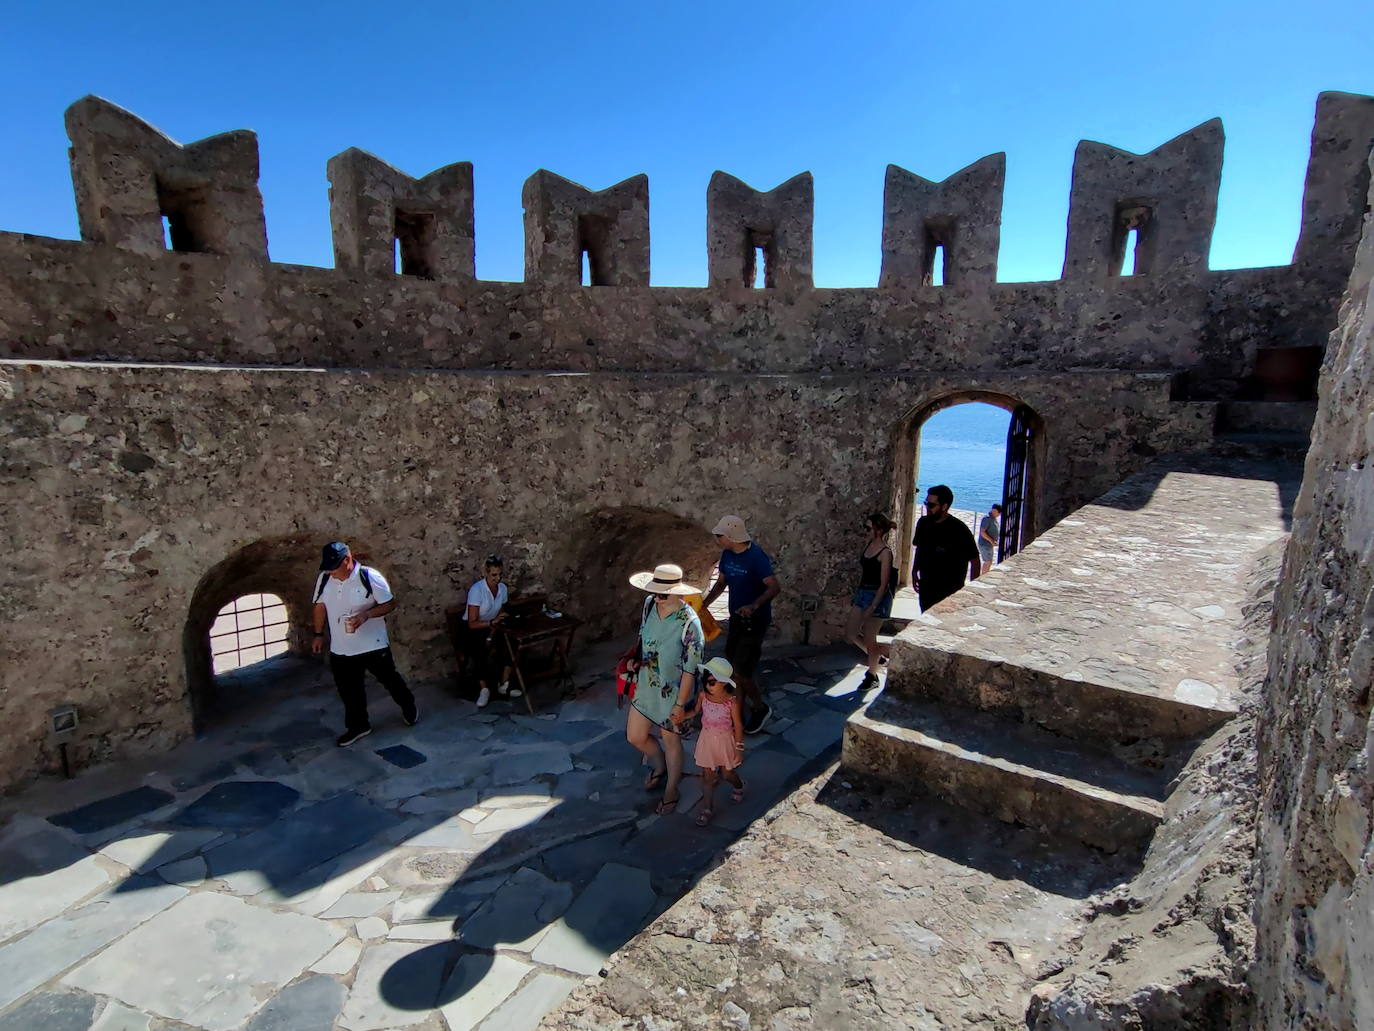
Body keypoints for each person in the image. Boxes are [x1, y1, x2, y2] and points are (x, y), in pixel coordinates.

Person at [311, 541, 417, 746]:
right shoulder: (325, 579)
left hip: (373, 645)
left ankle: (408, 705)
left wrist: (366, 615)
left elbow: (389, 603)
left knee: (390, 679)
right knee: (349, 690)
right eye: (328, 568)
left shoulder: (369, 577)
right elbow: (319, 606)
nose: (331, 572)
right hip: (341, 648)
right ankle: (358, 726)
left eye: (334, 567)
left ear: (347, 561)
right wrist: (317, 633)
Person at [625, 562, 704, 815]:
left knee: (671, 740)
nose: (657, 596)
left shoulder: (690, 624)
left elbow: (691, 669)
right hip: (646, 685)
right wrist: (634, 660)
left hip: (674, 693)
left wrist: (681, 705)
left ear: (677, 591)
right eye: (655, 590)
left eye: (663, 592)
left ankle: (672, 789)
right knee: (635, 736)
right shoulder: (649, 605)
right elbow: (643, 639)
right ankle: (659, 765)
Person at [701, 515, 780, 734]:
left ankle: (760, 707)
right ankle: (738, 713)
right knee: (734, 667)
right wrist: (704, 604)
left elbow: (773, 587)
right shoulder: (727, 555)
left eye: (719, 535)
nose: (717, 538)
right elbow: (721, 583)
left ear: (730, 536)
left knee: (741, 670)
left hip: (754, 620)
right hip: (736, 618)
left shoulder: (756, 557)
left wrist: (754, 606)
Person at [682, 657, 746, 826]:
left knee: (727, 773)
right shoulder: (703, 696)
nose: (708, 685)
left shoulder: (731, 702)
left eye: (713, 682)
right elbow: (695, 711)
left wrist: (739, 747)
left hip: (725, 741)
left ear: (724, 683)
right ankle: (707, 809)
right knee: (708, 776)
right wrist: (682, 716)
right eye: (707, 681)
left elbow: (738, 725)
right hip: (707, 740)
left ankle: (739, 785)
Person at [912, 485, 981, 612]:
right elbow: (920, 548)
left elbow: (975, 560)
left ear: (944, 506)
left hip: (949, 590)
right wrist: (914, 570)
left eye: (932, 505)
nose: (927, 508)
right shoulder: (923, 523)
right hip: (927, 587)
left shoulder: (960, 530)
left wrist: (972, 589)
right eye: (926, 503)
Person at [462, 555, 518, 708]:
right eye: (494, 575)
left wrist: (500, 620)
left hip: (494, 625)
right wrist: (490, 623)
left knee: (511, 642)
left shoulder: (502, 589)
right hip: (476, 628)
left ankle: (504, 683)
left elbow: (501, 608)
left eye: (500, 574)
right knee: (479, 648)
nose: (497, 578)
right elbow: (472, 623)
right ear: (486, 573)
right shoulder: (477, 590)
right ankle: (484, 688)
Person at [847, 512, 895, 689]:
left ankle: (872, 675)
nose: (865, 531)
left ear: (879, 530)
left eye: (868, 528)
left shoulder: (885, 553)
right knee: (851, 633)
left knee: (870, 638)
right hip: (863, 593)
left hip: (877, 598)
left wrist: (872, 607)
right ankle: (875, 656)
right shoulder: (869, 545)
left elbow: (883, 584)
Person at [978, 504, 1002, 576]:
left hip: (989, 544)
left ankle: (984, 574)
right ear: (994, 511)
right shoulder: (987, 519)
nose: (999, 514)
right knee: (987, 561)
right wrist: (991, 541)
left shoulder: (993, 519)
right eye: (999, 513)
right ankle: (983, 576)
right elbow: (982, 532)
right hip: (985, 544)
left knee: (989, 561)